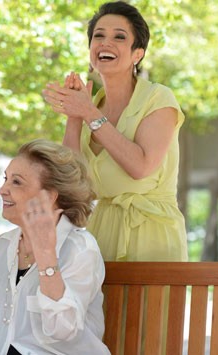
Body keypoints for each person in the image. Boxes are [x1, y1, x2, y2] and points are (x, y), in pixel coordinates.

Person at [42, 1, 188, 262]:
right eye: (98, 36)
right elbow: (72, 183)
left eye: (119, 37)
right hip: (97, 240)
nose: (105, 43)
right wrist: (75, 117)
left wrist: (89, 114)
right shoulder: (92, 104)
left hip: (150, 237)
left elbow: (140, 167)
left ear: (137, 54)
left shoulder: (158, 98)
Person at [0, 139, 110, 355]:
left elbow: (63, 330)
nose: (3, 190)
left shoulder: (80, 249)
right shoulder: (2, 247)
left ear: (49, 196)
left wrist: (46, 256)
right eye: (6, 179)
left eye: (16, 182)